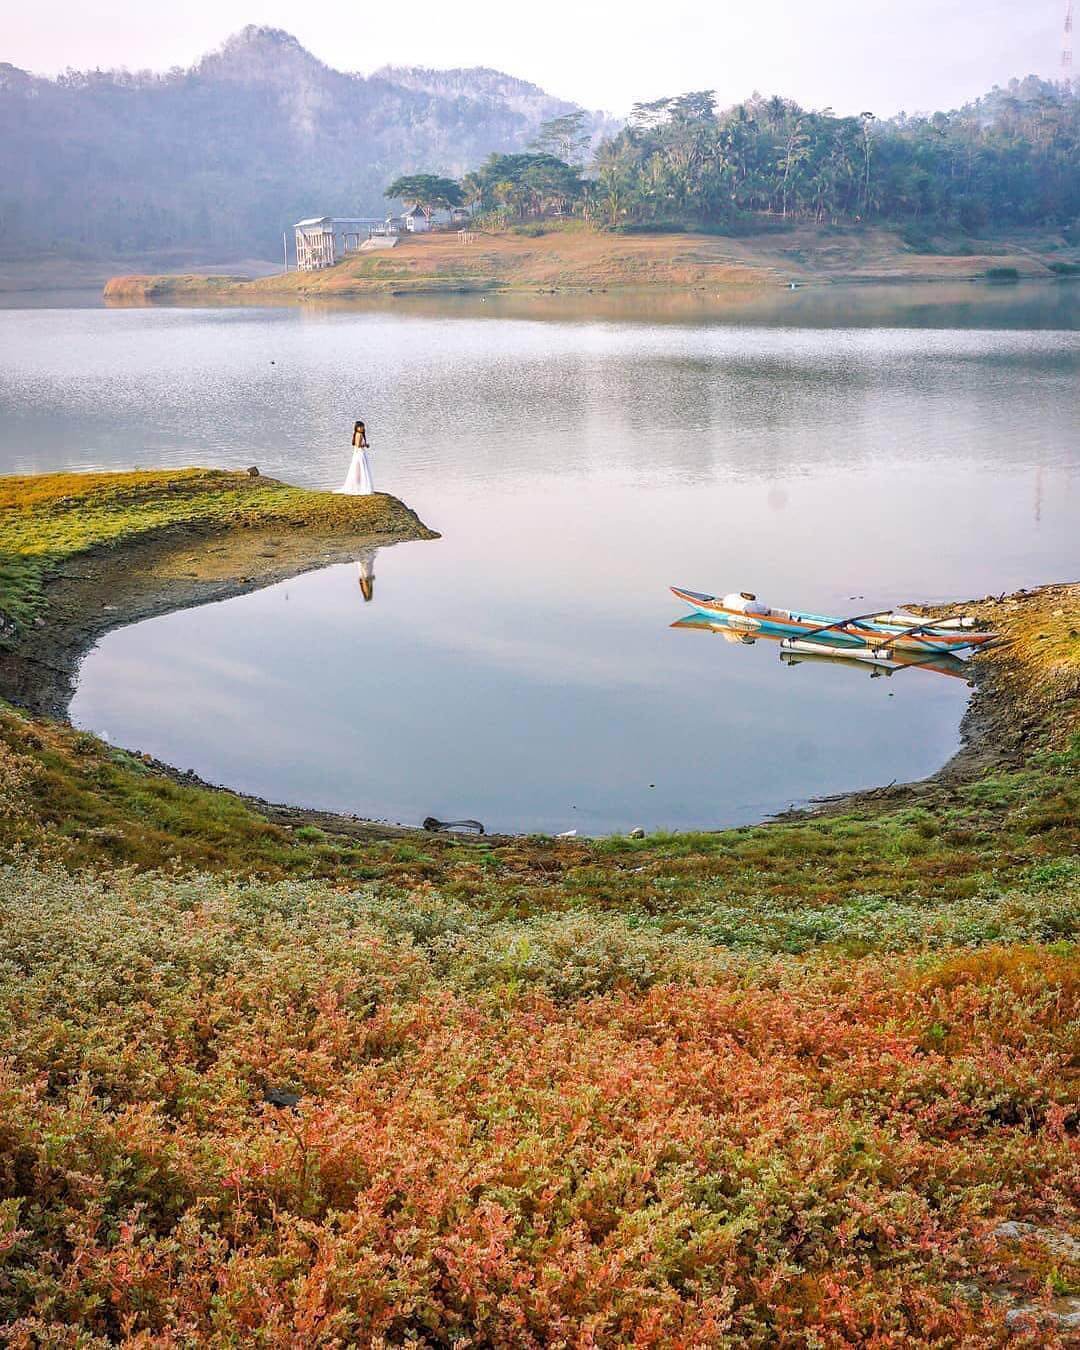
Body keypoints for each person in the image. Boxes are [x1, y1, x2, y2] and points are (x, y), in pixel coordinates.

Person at [335, 420, 374, 495]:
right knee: (361, 469)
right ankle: (360, 486)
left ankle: (358, 485)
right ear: (357, 428)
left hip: (359, 453)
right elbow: (358, 445)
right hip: (360, 453)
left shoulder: (357, 434)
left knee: (359, 469)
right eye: (361, 427)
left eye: (363, 427)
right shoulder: (359, 434)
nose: (362, 428)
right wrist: (366, 445)